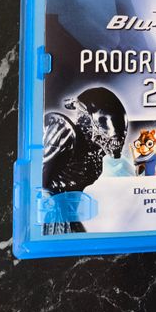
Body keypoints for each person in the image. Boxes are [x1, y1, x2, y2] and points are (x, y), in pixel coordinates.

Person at [42, 87, 128, 233]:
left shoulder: (96, 153)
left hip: (69, 217)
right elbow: (38, 177)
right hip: (51, 214)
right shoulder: (65, 132)